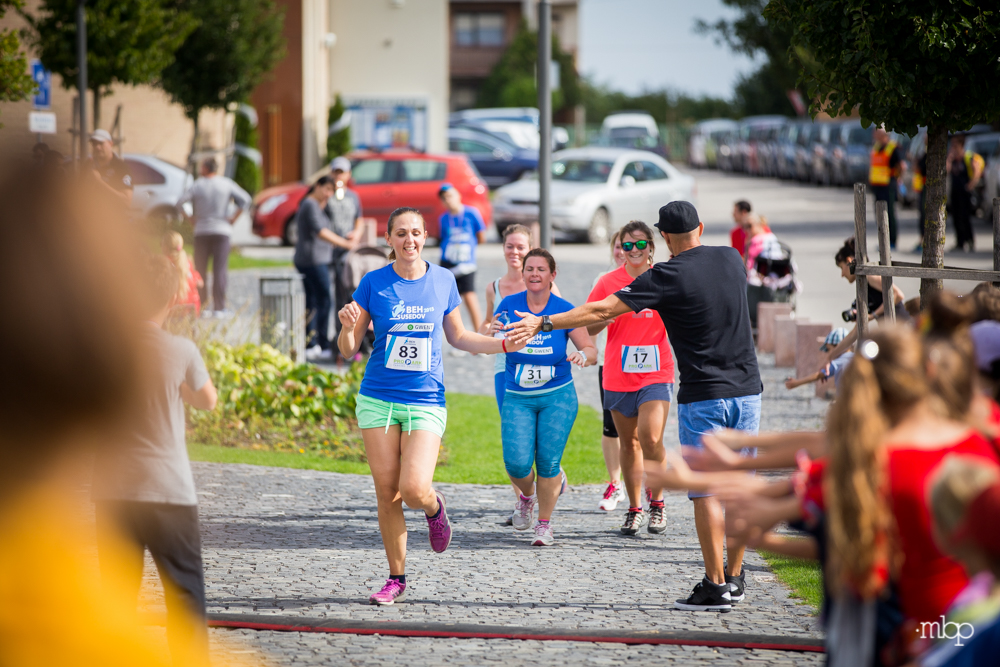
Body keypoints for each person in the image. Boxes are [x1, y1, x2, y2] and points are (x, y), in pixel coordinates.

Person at [508, 201, 762, 611]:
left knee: (706, 491)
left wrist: (544, 321)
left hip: (704, 395)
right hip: (749, 391)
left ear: (664, 237)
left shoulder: (666, 276)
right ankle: (735, 578)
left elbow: (602, 309)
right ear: (700, 227)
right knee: (739, 487)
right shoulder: (732, 258)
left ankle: (715, 586)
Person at [337, 207, 520, 605]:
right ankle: (396, 578)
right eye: (401, 233)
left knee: (413, 489)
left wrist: (504, 344)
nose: (410, 240)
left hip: (425, 399)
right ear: (389, 239)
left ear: (425, 236)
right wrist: (347, 327)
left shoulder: (443, 279)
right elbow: (349, 349)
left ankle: (435, 508)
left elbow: (459, 337)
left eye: (416, 232)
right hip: (378, 398)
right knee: (387, 494)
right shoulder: (373, 283)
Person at [92, 256, 218, 663]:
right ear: (172, 298)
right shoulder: (180, 349)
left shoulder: (104, 349)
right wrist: (182, 390)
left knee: (116, 594)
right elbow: (207, 400)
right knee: (184, 592)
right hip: (168, 488)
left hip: (112, 489)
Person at [494, 248, 596, 545]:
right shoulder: (509, 304)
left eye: (541, 269)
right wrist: (492, 331)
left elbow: (591, 350)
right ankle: (527, 496)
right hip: (518, 396)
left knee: (549, 463)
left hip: (557, 396)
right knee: (516, 464)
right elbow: (495, 337)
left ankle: (544, 524)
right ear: (523, 273)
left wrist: (582, 356)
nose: (534, 274)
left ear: (553, 275)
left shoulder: (564, 310)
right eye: (530, 269)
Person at [586, 221, 675, 536]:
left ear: (651, 247)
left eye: (640, 244)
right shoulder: (608, 282)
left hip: (656, 372)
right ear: (620, 249)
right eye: (627, 245)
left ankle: (658, 503)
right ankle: (635, 508)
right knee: (629, 443)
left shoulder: (664, 279)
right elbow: (589, 326)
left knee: (650, 438)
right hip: (618, 374)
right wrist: (608, 314)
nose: (634, 250)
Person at [479, 224, 561, 523]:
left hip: (541, 366)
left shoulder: (547, 285)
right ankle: (522, 502)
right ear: (503, 248)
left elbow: (562, 321)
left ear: (530, 250)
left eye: (521, 247)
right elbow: (485, 326)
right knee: (514, 435)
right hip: (506, 367)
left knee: (540, 435)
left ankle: (552, 472)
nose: (514, 252)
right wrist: (489, 329)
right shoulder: (494, 287)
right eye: (510, 246)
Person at [177, 157, 252, 317]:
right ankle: (219, 308)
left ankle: (202, 307)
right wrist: (234, 217)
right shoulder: (226, 183)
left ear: (205, 168)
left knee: (200, 270)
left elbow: (180, 202)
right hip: (222, 230)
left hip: (201, 231)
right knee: (220, 271)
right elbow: (246, 199)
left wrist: (190, 218)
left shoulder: (198, 185)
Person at [819, 237, 908, 369]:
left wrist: (873, 315)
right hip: (894, 334)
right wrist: (830, 357)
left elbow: (897, 295)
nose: (842, 274)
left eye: (842, 268)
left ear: (849, 261)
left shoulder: (869, 276)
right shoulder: (863, 285)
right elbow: (854, 333)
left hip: (903, 330)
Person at [294, 176, 356, 362]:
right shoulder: (310, 204)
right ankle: (320, 343)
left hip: (313, 259)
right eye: (327, 189)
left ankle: (312, 343)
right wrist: (346, 244)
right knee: (324, 300)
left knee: (313, 301)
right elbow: (321, 232)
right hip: (313, 260)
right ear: (317, 186)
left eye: (332, 191)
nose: (329, 194)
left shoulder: (317, 204)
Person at [594, 232, 628, 511]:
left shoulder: (652, 277)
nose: (623, 251)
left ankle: (647, 485)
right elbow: (590, 318)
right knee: (611, 426)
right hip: (610, 362)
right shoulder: (603, 280)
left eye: (630, 246)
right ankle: (615, 483)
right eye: (618, 246)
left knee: (644, 432)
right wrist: (588, 349)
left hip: (646, 366)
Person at [326, 156, 366, 354]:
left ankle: (355, 340)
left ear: (348, 174)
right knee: (332, 297)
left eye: (342, 172)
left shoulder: (353, 196)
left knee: (349, 296)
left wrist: (356, 234)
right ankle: (336, 341)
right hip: (329, 252)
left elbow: (359, 219)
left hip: (348, 254)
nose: (338, 176)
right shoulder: (326, 194)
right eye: (336, 172)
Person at [438, 183, 487, 333]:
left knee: (469, 295)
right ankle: (457, 334)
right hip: (448, 261)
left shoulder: (471, 213)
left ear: (458, 195)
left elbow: (481, 236)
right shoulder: (443, 218)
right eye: (444, 198)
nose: (448, 200)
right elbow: (443, 237)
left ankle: (479, 334)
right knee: (451, 300)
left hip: (466, 262)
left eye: (450, 196)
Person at [947, 134, 985, 253]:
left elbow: (977, 171)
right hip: (955, 192)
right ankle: (960, 242)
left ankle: (969, 240)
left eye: (955, 144)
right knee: (956, 218)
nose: (953, 146)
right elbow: (946, 171)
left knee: (965, 218)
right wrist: (949, 159)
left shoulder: (968, 157)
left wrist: (970, 185)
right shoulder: (953, 159)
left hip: (965, 193)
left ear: (961, 144)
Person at [869, 126, 905, 250]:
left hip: (888, 186)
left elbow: (901, 166)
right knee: (878, 214)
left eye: (876, 132)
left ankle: (892, 241)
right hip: (877, 186)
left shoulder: (893, 147)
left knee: (889, 214)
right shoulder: (876, 147)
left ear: (883, 134)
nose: (874, 135)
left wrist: (897, 179)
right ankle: (883, 241)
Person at [161, 231, 203, 317]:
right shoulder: (187, 261)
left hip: (172, 311)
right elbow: (200, 283)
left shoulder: (164, 263)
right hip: (192, 310)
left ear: (165, 247)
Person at [86, 128, 132, 204]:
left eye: (101, 143)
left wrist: (99, 182)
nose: (97, 147)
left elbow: (126, 201)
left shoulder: (121, 167)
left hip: (112, 211)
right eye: (94, 144)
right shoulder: (88, 165)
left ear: (111, 143)